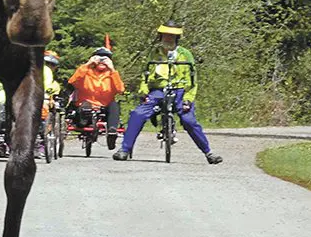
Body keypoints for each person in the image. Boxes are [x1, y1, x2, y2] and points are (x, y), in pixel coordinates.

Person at [113, 21, 222, 164]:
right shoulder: (153, 54)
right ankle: (124, 150)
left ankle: (209, 153)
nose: (168, 39)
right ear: (160, 36)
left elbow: (193, 81)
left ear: (177, 38)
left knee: (189, 120)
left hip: (180, 92)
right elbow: (144, 76)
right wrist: (144, 92)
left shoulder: (185, 55)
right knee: (137, 114)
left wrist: (188, 99)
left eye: (172, 36)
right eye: (166, 36)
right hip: (157, 91)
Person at [66, 46, 126, 149]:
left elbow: (120, 90)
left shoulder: (112, 74)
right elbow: (72, 82)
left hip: (105, 106)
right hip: (84, 104)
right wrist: (87, 64)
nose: (102, 61)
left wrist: (112, 70)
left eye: (106, 59)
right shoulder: (85, 72)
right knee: (85, 107)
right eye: (99, 58)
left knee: (114, 105)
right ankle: (84, 123)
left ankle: (112, 131)